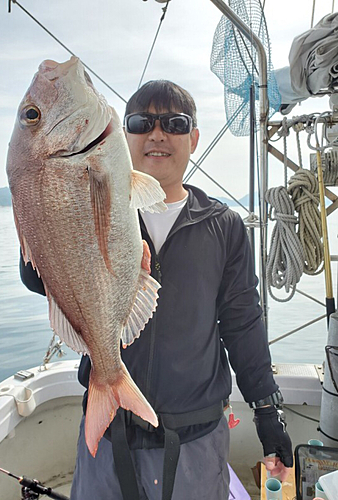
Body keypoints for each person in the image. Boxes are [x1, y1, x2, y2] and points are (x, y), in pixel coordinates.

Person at [20, 80, 293, 500]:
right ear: (122, 134)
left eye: (175, 123)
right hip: (108, 437)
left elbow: (242, 324)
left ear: (194, 138)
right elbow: (43, 280)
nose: (157, 133)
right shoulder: (94, 202)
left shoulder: (224, 226)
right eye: (142, 122)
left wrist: (266, 410)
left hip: (196, 441)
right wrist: (40, 219)